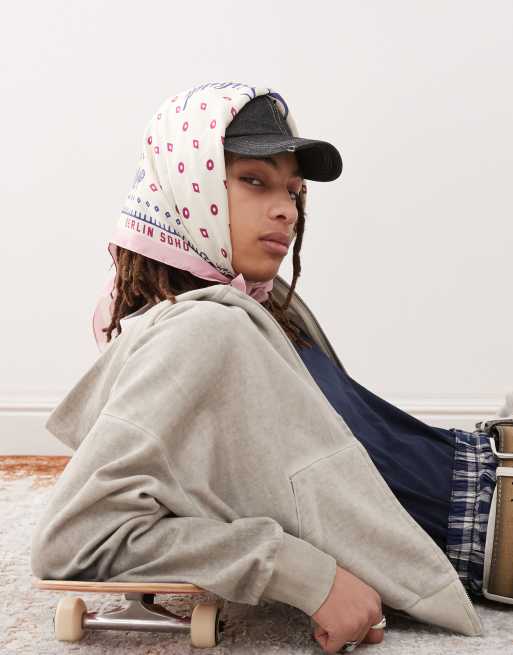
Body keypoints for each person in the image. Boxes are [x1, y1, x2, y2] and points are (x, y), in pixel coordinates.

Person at [32, 81, 507, 654]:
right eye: (255, 180)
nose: (287, 209)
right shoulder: (200, 330)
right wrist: (302, 573)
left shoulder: (259, 303)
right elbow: (76, 539)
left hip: (484, 462)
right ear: (184, 183)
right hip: (491, 523)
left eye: (294, 191)